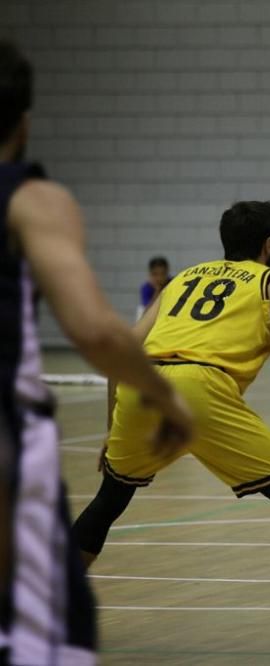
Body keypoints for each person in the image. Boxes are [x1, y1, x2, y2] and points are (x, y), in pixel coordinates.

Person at [70, 200, 270, 662]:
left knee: (110, 498)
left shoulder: (181, 279)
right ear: (269, 244)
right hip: (199, 386)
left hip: (140, 382)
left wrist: (112, 426)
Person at [0, 41, 194, 665]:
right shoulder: (34, 201)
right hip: (8, 438)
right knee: (51, 630)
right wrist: (164, 394)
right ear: (24, 121)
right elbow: (98, 332)